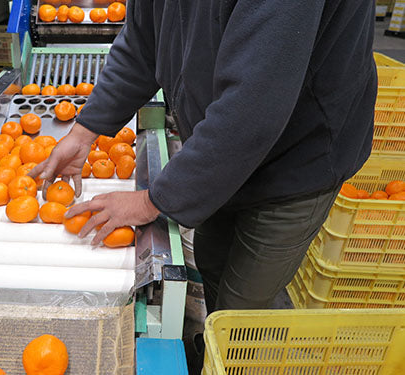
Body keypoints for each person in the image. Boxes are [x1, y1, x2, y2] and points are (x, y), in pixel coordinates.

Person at [30, 0, 375, 368]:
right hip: (225, 142)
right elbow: (143, 42)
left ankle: (236, 358)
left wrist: (149, 202)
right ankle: (216, 349)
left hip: (298, 155)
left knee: (244, 308)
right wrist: (87, 130)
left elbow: (255, 105)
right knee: (213, 261)